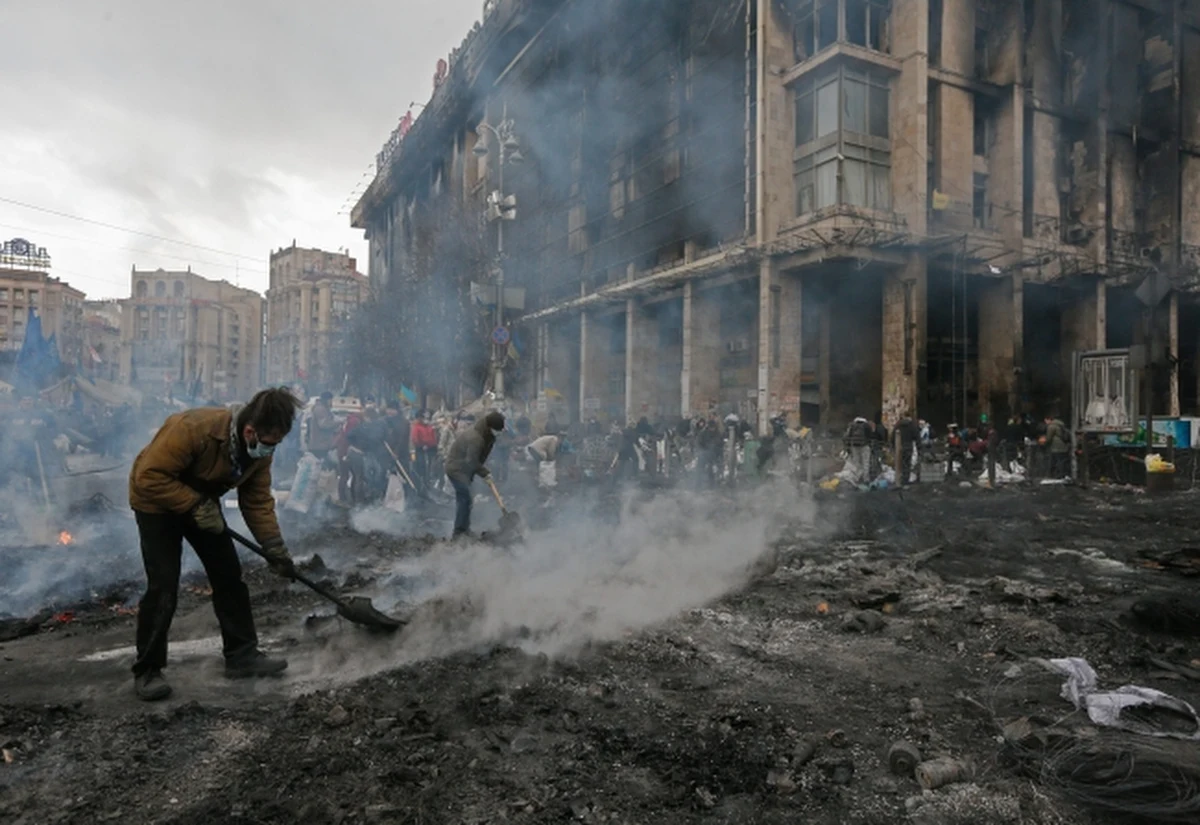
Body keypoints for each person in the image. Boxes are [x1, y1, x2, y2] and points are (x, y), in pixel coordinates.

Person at [127, 387, 302, 702]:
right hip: (156, 504)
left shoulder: (259, 452)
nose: (270, 450)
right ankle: (148, 669)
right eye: (268, 442)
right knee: (163, 585)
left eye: (276, 442)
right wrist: (194, 505)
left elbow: (257, 501)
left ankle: (242, 656)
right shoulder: (193, 428)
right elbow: (148, 476)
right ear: (250, 431)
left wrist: (274, 547)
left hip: (202, 506)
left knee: (229, 576)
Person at [444, 410, 505, 538]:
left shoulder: (487, 435)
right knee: (465, 498)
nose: (498, 433)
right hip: (456, 469)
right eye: (496, 429)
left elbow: (478, 458)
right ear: (490, 427)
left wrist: (482, 471)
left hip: (465, 470)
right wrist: (484, 473)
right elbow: (471, 461)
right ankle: (459, 532)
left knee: (467, 499)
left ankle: (464, 529)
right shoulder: (475, 438)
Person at [410, 409, 439, 491]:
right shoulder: (416, 427)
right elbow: (415, 439)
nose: (426, 419)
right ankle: (422, 484)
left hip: (431, 449)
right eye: (424, 417)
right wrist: (421, 445)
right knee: (423, 467)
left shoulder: (429, 427)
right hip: (422, 449)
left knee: (431, 467)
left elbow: (433, 437)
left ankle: (429, 482)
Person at [307, 391, 339, 462]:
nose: (331, 402)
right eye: (330, 400)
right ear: (326, 400)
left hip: (323, 444)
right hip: (319, 445)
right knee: (321, 467)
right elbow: (324, 425)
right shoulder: (320, 409)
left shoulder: (324, 409)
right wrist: (338, 423)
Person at [1045, 413, 1070, 478]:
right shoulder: (1061, 424)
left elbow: (1048, 438)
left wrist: (1044, 442)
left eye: (1046, 421)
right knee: (1062, 461)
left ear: (1048, 420)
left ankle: (1054, 475)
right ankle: (1063, 475)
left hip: (1056, 447)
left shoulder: (1051, 426)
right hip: (1064, 446)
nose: (1046, 423)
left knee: (1054, 462)